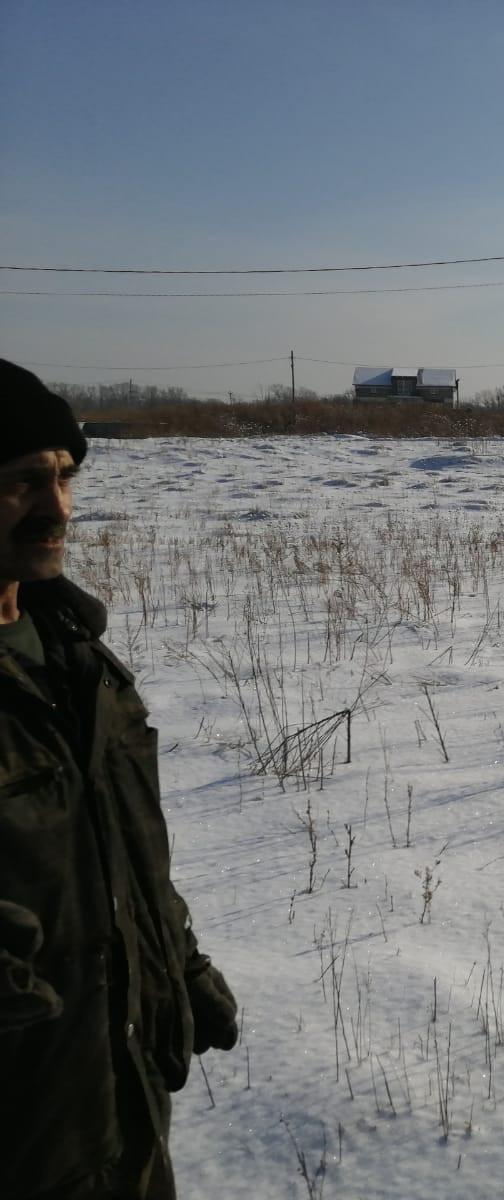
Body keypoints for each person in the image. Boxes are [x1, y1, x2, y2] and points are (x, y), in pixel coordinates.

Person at [0, 359, 237, 1198]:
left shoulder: (75, 655)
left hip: (115, 1096)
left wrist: (179, 962)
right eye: (22, 483)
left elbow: (124, 845)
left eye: (64, 477)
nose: (57, 508)